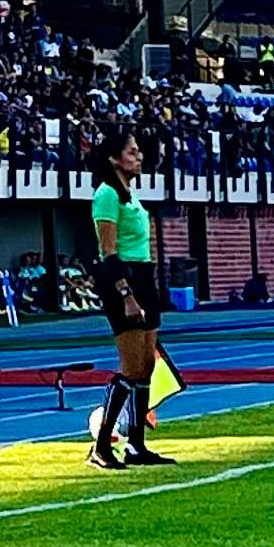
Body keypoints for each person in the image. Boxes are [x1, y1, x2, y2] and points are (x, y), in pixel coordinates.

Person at [86, 127, 171, 468]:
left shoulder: (130, 195)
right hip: (125, 280)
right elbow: (108, 252)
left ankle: (137, 443)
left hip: (144, 276)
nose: (139, 157)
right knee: (131, 365)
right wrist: (126, 295)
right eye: (132, 152)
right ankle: (102, 445)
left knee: (147, 367)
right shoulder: (106, 194)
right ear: (114, 159)